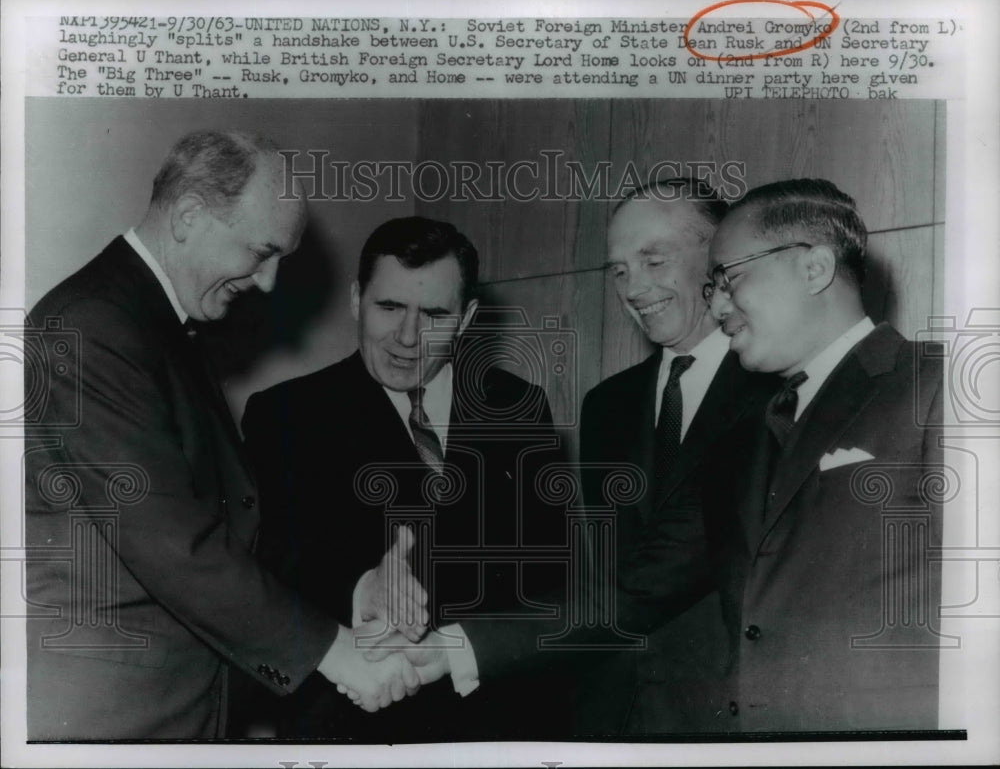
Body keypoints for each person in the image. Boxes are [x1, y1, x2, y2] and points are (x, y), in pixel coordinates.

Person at [24, 131, 418, 740]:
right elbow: (174, 543)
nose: (267, 283)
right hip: (113, 718)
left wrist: (354, 589)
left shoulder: (156, 322)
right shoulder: (93, 326)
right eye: (262, 252)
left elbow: (231, 520)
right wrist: (335, 652)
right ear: (189, 215)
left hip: (166, 707)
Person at [365, 180, 777, 736]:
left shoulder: (775, 392)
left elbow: (661, 570)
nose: (633, 288)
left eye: (654, 260)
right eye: (619, 270)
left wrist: (463, 646)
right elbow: (597, 572)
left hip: (736, 716)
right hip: (612, 713)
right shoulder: (608, 404)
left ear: (719, 256)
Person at [240, 216, 566, 741]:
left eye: (434, 314)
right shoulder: (284, 413)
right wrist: (361, 587)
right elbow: (265, 563)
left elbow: (553, 570)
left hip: (495, 724)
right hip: (351, 726)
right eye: (389, 307)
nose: (408, 338)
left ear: (466, 319)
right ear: (356, 300)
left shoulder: (519, 407)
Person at [702, 178, 943, 730]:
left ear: (815, 268)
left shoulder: (936, 383)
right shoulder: (741, 438)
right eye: (709, 287)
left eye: (728, 277)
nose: (716, 306)